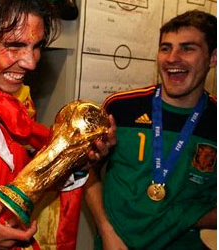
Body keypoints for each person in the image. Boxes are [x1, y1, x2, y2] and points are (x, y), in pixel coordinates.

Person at [0, 0, 117, 249]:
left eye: (37, 47)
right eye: (15, 46)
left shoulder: (20, 102)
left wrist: (75, 161)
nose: (31, 62)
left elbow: (26, 186)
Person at [85, 9, 217, 250]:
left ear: (213, 58)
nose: (172, 58)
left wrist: (181, 216)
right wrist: (106, 231)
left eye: (187, 48)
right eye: (165, 48)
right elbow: (87, 173)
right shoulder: (121, 107)